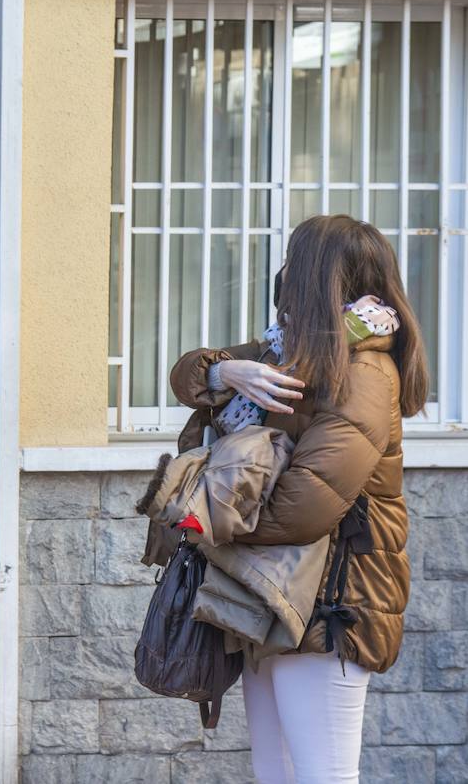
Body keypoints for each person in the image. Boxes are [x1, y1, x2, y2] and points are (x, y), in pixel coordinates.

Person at [170, 214, 425, 784]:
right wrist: (226, 374)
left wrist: (207, 522)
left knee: (323, 775)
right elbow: (187, 373)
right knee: (277, 773)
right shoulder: (288, 354)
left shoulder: (363, 370)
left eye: (293, 263)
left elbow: (305, 504)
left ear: (315, 278)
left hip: (333, 604)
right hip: (275, 596)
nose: (281, 276)